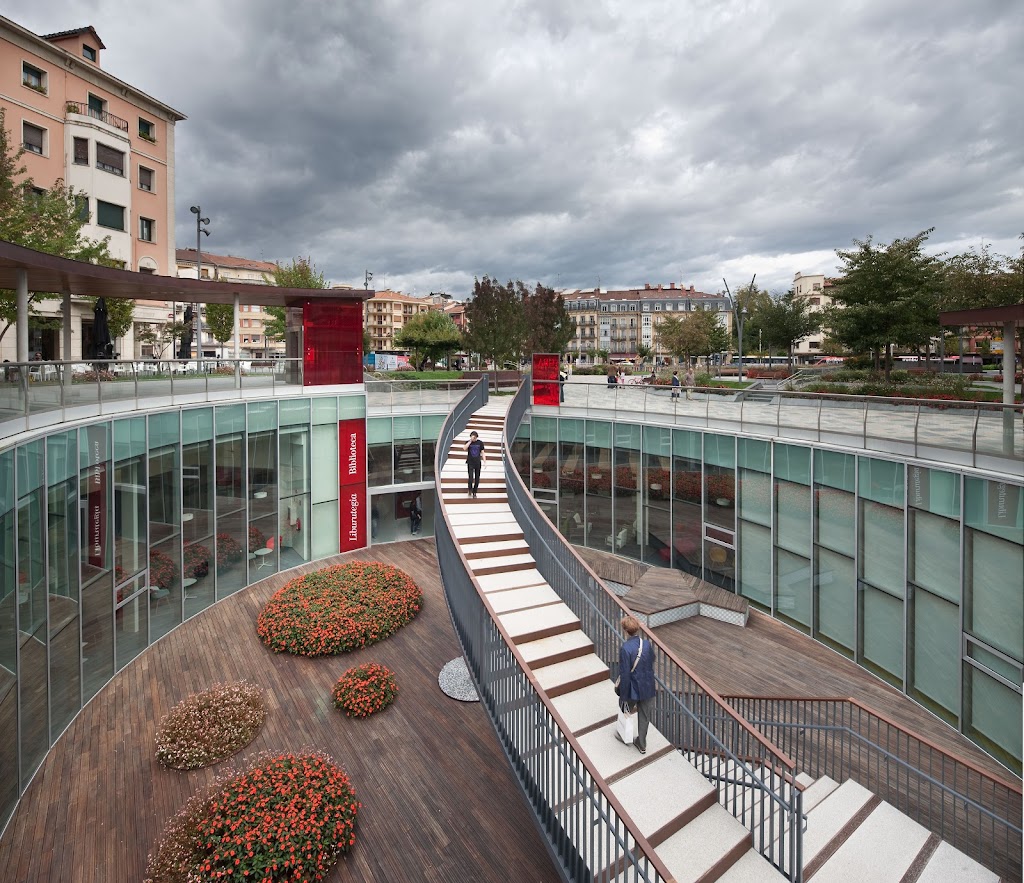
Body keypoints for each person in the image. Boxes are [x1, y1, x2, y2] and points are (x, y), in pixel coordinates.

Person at [617, 615, 656, 755]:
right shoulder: (646, 644)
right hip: (648, 685)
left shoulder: (625, 648)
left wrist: (623, 695)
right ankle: (642, 744)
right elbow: (652, 658)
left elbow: (625, 674)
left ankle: (624, 733)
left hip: (633, 688)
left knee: (624, 708)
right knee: (644, 716)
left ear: (625, 630)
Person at [464, 430, 485, 497]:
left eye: (475, 437)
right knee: (470, 477)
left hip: (477, 462)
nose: (474, 438)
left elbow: (483, 452)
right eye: (473, 437)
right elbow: (464, 448)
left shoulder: (480, 443)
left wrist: (485, 461)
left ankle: (474, 492)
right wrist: (470, 441)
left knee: (477, 478)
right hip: (470, 462)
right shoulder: (468, 442)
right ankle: (470, 489)